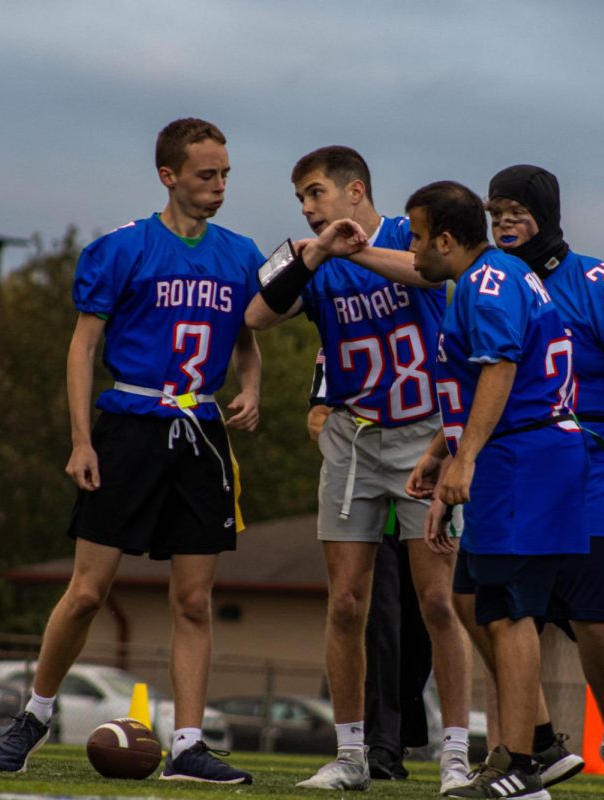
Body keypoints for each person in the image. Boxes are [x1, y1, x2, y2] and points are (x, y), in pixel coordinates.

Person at [0, 118, 261, 784]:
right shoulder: (123, 248)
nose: (219, 186)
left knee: (193, 600)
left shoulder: (240, 253)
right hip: (129, 425)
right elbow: (82, 347)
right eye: (205, 174)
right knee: (86, 592)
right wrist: (81, 439)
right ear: (168, 176)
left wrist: (251, 386)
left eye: (225, 173)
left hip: (200, 432)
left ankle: (188, 745)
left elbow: (249, 336)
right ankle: (35, 714)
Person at [245, 146, 472, 792]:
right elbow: (257, 314)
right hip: (351, 437)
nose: (309, 209)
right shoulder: (309, 255)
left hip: (423, 435)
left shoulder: (407, 232)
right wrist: (316, 254)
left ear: (355, 191)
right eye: (302, 201)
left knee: (435, 599)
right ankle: (351, 753)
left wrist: (355, 250)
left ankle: (456, 754)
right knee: (346, 603)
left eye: (316, 194)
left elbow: (432, 275)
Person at [484, 164, 604, 800]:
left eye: (517, 210)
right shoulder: (489, 281)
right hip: (517, 467)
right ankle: (520, 752)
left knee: (598, 618)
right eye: (496, 212)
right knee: (508, 615)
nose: (505, 222)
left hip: (593, 464)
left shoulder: (599, 284)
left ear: (546, 212)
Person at [404, 180, 589, 800]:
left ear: (447, 240)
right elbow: (478, 381)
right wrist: (442, 454)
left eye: (418, 236)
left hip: (523, 456)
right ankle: (540, 741)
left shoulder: (486, 283)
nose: (412, 248)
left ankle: (516, 761)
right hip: (518, 451)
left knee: (511, 613)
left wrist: (468, 460)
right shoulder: (493, 276)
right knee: (466, 597)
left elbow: (502, 368)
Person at [307, 351, 433, 781]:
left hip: (419, 500)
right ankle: (378, 743)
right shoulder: (345, 334)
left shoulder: (426, 328)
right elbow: (317, 416)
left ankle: (403, 732)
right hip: (372, 519)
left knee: (423, 626)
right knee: (379, 625)